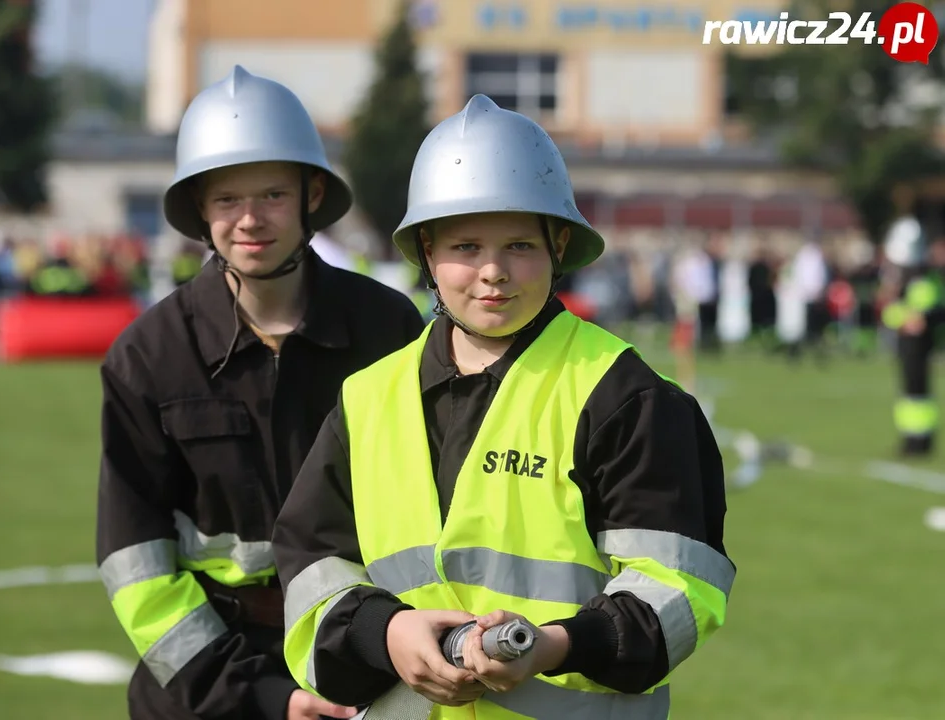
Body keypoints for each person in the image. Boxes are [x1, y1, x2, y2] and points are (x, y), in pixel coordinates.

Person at [272, 95, 735, 719]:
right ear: (427, 252)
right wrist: (384, 632)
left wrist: (552, 646)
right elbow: (312, 568)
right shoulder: (367, 398)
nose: (493, 272)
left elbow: (680, 591)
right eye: (465, 246)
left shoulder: (628, 398)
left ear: (559, 243)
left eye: (519, 245)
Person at [95, 65, 424, 720]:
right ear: (198, 211)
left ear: (312, 195)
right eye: (226, 199)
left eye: (273, 194)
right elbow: (136, 565)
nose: (250, 219)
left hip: (363, 662)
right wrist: (263, 698)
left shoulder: (391, 330)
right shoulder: (148, 356)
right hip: (205, 687)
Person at [880, 217, 944, 456]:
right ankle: (915, 438)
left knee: (915, 391)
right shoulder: (917, 278)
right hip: (912, 342)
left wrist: (901, 314)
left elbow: (914, 315)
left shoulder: (918, 280)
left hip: (916, 344)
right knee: (914, 392)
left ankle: (917, 442)